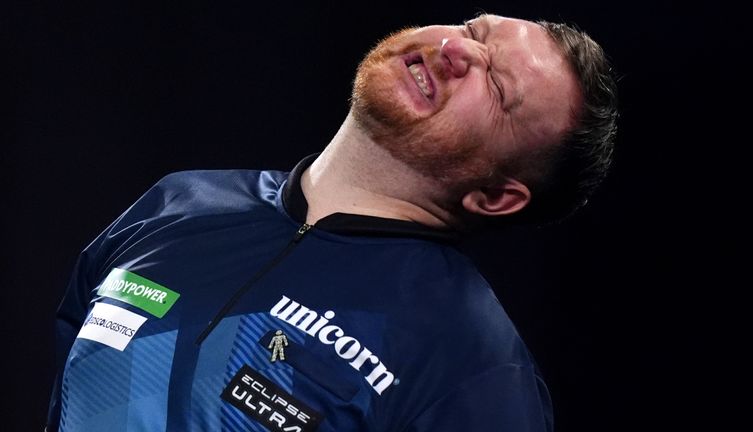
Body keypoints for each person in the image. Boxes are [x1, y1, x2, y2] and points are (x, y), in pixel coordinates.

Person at [47, 13, 617, 432]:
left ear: (494, 198)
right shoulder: (180, 201)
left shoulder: (474, 369)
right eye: (473, 30)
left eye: (497, 87)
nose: (454, 50)